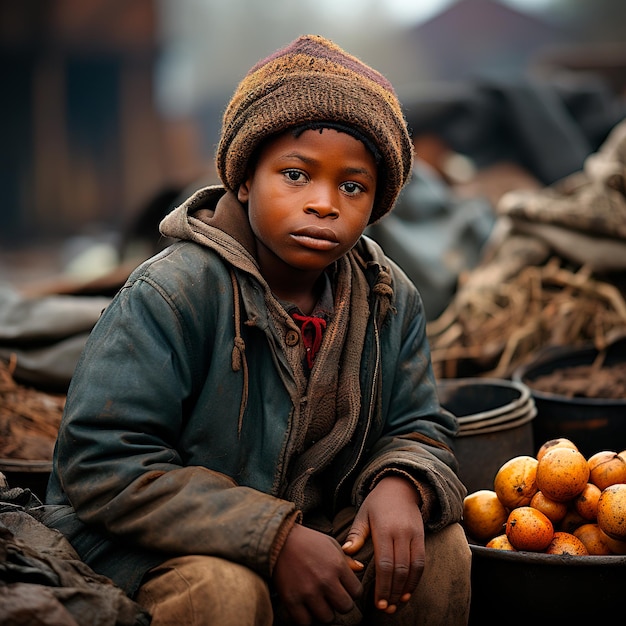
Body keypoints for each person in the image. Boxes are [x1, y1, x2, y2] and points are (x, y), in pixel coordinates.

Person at [43, 35, 471, 625]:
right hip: (156, 546)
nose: (324, 203)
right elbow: (103, 464)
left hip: (316, 530)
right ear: (244, 180)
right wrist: (271, 536)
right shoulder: (172, 294)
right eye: (296, 175)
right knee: (224, 592)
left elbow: (420, 423)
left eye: (352, 186)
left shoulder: (387, 297)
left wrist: (403, 482)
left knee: (440, 552)